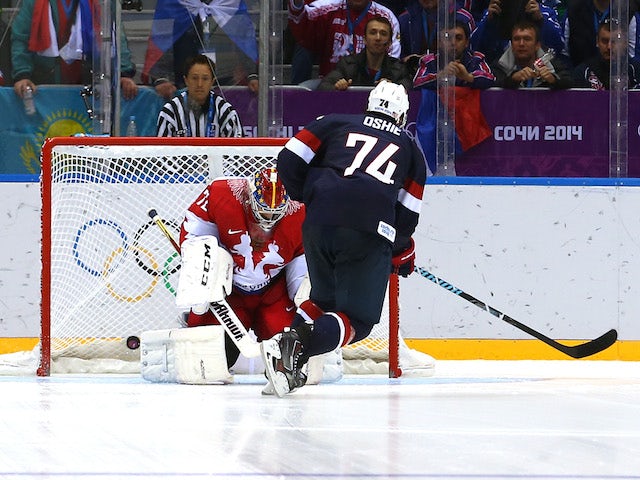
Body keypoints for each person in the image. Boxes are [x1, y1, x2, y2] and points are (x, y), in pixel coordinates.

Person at [264, 81, 427, 397]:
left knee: (325, 303)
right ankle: (294, 346)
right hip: (365, 230)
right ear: (402, 114)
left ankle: (284, 362)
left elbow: (288, 158)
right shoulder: (410, 150)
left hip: (318, 222)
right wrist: (400, 251)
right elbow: (405, 218)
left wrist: (309, 194)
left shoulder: (334, 121)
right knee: (359, 321)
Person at [178, 167, 308, 373]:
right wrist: (201, 279)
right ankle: (194, 322)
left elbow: (303, 260)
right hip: (230, 292)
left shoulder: (301, 210)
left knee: (291, 356)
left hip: (274, 293)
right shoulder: (220, 193)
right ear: (249, 198)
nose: (268, 219)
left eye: (275, 213)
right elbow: (195, 237)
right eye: (263, 210)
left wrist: (305, 301)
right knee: (208, 360)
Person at [11, 0, 138, 101]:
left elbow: (116, 38)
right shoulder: (33, 2)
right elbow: (21, 38)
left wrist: (123, 74)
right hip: (45, 84)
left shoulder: (102, 2)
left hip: (89, 83)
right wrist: (22, 75)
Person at [142, 0, 259, 100]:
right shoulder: (173, 3)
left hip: (226, 85)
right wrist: (162, 78)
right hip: (181, 85)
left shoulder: (232, 3)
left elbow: (245, 41)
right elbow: (162, 40)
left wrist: (252, 75)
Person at [287, 0, 402, 79]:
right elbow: (300, 18)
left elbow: (392, 61)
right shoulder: (327, 8)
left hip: (372, 88)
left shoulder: (386, 17)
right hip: (332, 87)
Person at [156, 55, 243, 137]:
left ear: (212, 82)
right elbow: (162, 150)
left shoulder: (226, 111)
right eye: (194, 78)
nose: (199, 84)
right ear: (186, 80)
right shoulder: (170, 111)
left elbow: (237, 150)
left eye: (205, 79)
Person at [318, 16, 411, 91]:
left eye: (383, 33)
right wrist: (336, 87)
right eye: (373, 32)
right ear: (364, 39)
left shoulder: (399, 69)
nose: (378, 38)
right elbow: (323, 86)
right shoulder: (347, 64)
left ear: (390, 42)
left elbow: (409, 89)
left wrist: (394, 88)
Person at [470, 0, 565, 65]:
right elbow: (474, 48)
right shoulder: (492, 12)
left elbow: (558, 46)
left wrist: (540, 21)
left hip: (538, 72)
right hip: (499, 72)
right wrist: (489, 23)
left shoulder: (545, 12)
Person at [413, 17, 495, 89]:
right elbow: (417, 82)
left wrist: (468, 77)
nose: (453, 43)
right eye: (447, 38)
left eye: (458, 38)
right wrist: (441, 75)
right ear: (439, 43)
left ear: (466, 42)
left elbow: (491, 79)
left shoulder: (476, 58)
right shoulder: (428, 61)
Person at [398, 0, 475, 77]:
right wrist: (405, 61)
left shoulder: (463, 18)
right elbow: (397, 59)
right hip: (414, 79)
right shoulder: (405, 19)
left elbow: (470, 59)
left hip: (454, 79)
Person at [491, 19, 572, 88]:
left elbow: (569, 82)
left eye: (527, 39)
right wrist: (512, 80)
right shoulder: (501, 64)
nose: (521, 43)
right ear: (511, 44)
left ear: (537, 45)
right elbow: (493, 84)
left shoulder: (551, 61)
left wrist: (553, 80)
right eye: (517, 39)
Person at [573, 19, 640, 89]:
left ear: (625, 43)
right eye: (604, 41)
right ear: (597, 42)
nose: (609, 47)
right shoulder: (583, 72)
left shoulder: (636, 70)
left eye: (615, 41)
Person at [563, 0, 609, 67]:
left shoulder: (626, 10)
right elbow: (565, 51)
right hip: (581, 72)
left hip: (615, 71)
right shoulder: (574, 9)